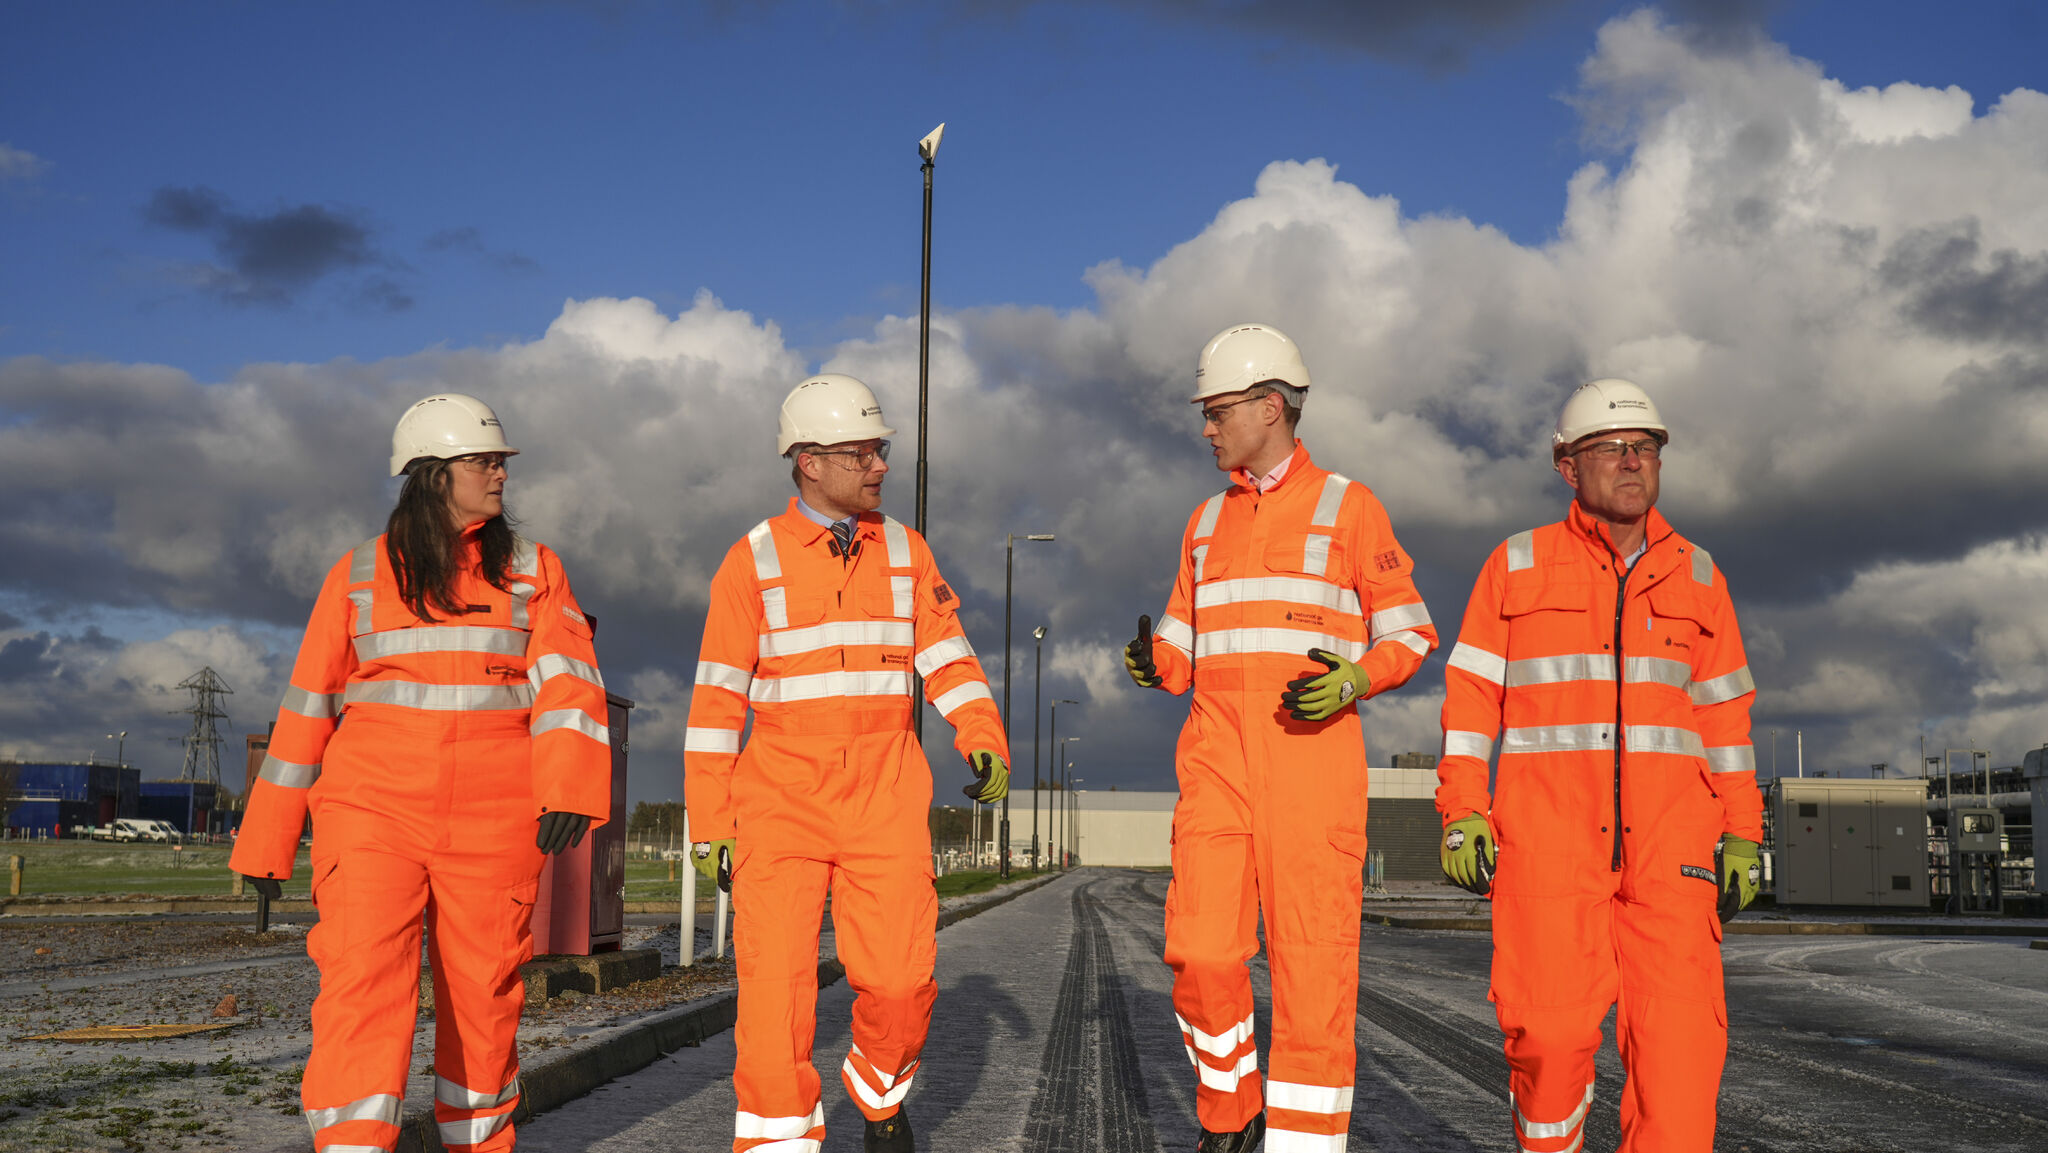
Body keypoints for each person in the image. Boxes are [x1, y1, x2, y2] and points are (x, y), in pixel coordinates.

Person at [232, 393, 611, 1153]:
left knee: (483, 1004)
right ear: (435, 475)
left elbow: (570, 685)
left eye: (501, 460)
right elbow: (306, 711)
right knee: (362, 990)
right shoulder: (360, 574)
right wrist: (266, 844)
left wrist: (568, 785)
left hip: (494, 822)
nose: (501, 472)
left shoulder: (535, 571)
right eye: (485, 461)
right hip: (371, 816)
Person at [1124, 324, 1438, 1153]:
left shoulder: (1350, 507)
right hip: (1217, 765)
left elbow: (1409, 632)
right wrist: (1153, 660)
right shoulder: (1203, 522)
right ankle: (1231, 1112)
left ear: (1272, 406)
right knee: (1198, 949)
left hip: (1312, 766)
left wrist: (1357, 679)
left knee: (1312, 975)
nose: (1206, 426)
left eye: (1218, 410)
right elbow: (1183, 647)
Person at [684, 373, 1010, 1153]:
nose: (881, 466)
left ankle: (878, 1089)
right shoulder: (752, 560)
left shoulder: (905, 550)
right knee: (772, 1001)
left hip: (884, 800)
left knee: (901, 983)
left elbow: (949, 658)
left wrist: (982, 735)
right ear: (809, 462)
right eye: (864, 452)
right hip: (778, 805)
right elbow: (716, 703)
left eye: (882, 449)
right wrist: (709, 821)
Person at [1435, 378, 1761, 1153]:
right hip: (1549, 851)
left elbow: (1725, 721)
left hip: (1672, 863)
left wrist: (1746, 831)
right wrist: (1462, 810)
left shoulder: (1702, 578)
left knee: (1682, 1064)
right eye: (1609, 449)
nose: (1630, 462)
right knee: (1546, 1042)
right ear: (1567, 467)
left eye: (1644, 448)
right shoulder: (1515, 567)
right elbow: (1472, 700)